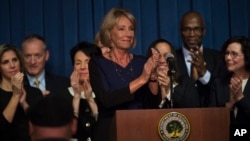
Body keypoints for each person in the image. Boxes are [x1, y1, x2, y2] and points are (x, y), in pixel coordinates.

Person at [88, 7, 159, 141]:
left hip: (142, 129)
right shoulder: (97, 64)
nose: (128, 34)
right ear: (109, 33)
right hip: (110, 131)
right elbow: (107, 100)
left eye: (131, 29)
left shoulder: (141, 62)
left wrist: (153, 79)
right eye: (121, 29)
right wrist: (142, 79)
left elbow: (152, 104)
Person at [175, 11, 225, 107]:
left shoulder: (218, 58)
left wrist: (204, 74)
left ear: (204, 31)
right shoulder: (172, 59)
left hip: (211, 117)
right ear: (181, 32)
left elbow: (222, 93)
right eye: (187, 29)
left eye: (196, 29)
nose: (192, 34)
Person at [209, 36, 250, 140]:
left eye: (234, 54)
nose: (228, 58)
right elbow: (211, 118)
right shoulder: (218, 83)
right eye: (227, 53)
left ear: (247, 56)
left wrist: (240, 98)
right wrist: (230, 105)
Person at [0, 44, 43, 141]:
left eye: (15, 60)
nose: (12, 65)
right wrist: (15, 95)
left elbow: (42, 127)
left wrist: (24, 103)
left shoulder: (34, 93)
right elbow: (2, 128)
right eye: (5, 62)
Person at [145, 38, 201, 108]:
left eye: (167, 56)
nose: (162, 60)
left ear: (173, 59)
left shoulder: (187, 84)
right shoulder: (145, 85)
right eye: (158, 56)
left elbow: (193, 111)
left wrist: (169, 90)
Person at [69, 41, 101, 141]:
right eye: (78, 63)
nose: (82, 67)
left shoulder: (105, 95)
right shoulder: (64, 95)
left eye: (87, 62)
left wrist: (90, 99)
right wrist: (77, 97)